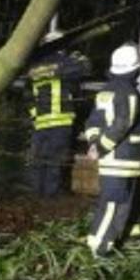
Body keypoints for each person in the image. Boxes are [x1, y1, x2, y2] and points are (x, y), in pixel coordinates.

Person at [84, 42, 140, 257]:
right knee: (113, 205)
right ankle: (99, 250)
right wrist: (101, 147)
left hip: (113, 160)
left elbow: (93, 122)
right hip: (123, 159)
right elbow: (123, 124)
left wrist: (94, 143)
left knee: (125, 202)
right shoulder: (129, 93)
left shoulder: (105, 92)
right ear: (135, 69)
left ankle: (125, 240)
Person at [25, 29, 90, 196]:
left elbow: (28, 94)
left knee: (38, 160)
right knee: (55, 161)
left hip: (40, 122)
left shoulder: (34, 66)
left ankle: (36, 195)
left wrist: (35, 114)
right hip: (60, 122)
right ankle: (50, 197)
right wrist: (78, 57)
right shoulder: (64, 63)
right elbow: (85, 67)